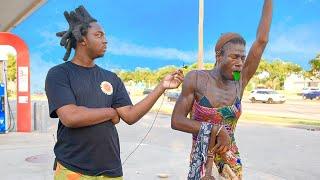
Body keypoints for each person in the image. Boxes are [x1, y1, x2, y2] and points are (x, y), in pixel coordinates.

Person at [45, 5, 183, 180]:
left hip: (110, 172)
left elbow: (130, 116)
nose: (105, 40)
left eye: (104, 35)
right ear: (82, 39)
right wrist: (111, 112)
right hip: (73, 170)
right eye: (98, 35)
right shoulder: (59, 74)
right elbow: (71, 117)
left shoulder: (111, 78)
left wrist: (161, 87)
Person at [171, 0, 272, 179]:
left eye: (243, 57)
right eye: (234, 57)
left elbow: (262, 40)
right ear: (218, 56)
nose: (240, 62)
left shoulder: (239, 81)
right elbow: (177, 121)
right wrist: (216, 129)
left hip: (230, 158)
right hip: (202, 159)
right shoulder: (197, 79)